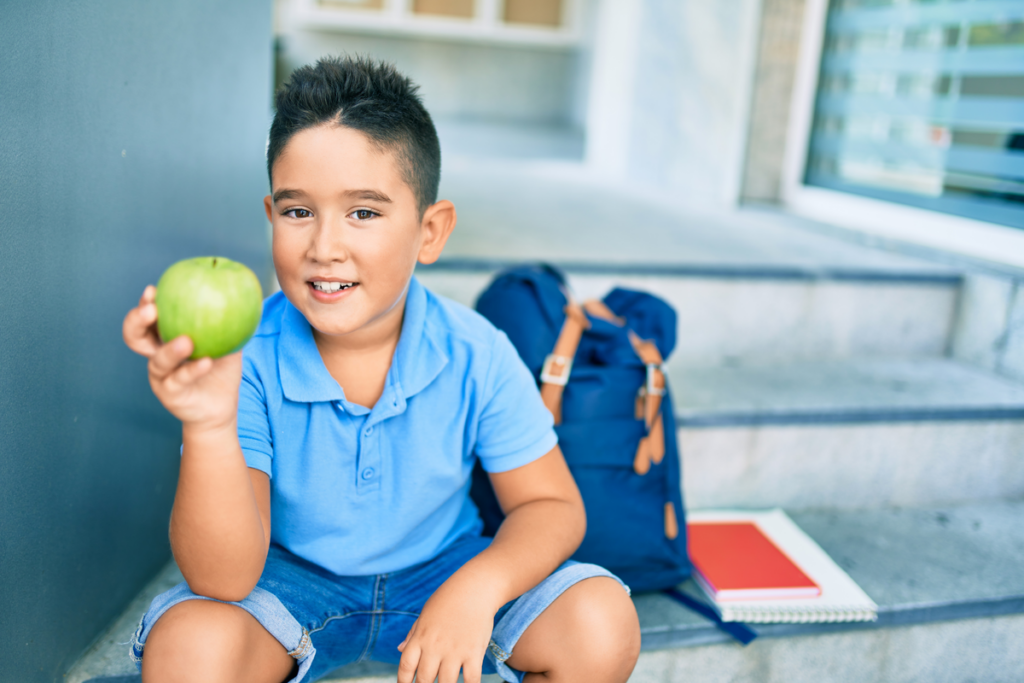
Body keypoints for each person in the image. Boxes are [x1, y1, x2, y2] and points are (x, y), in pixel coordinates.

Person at [121, 55, 641, 683]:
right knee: (190, 644)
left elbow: (552, 505)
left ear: (430, 232)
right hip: (285, 583)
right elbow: (223, 578)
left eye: (363, 212)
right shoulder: (244, 355)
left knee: (601, 619)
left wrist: (477, 590)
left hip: (443, 572)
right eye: (297, 211)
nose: (323, 246)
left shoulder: (476, 351)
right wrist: (207, 423)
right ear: (271, 217)